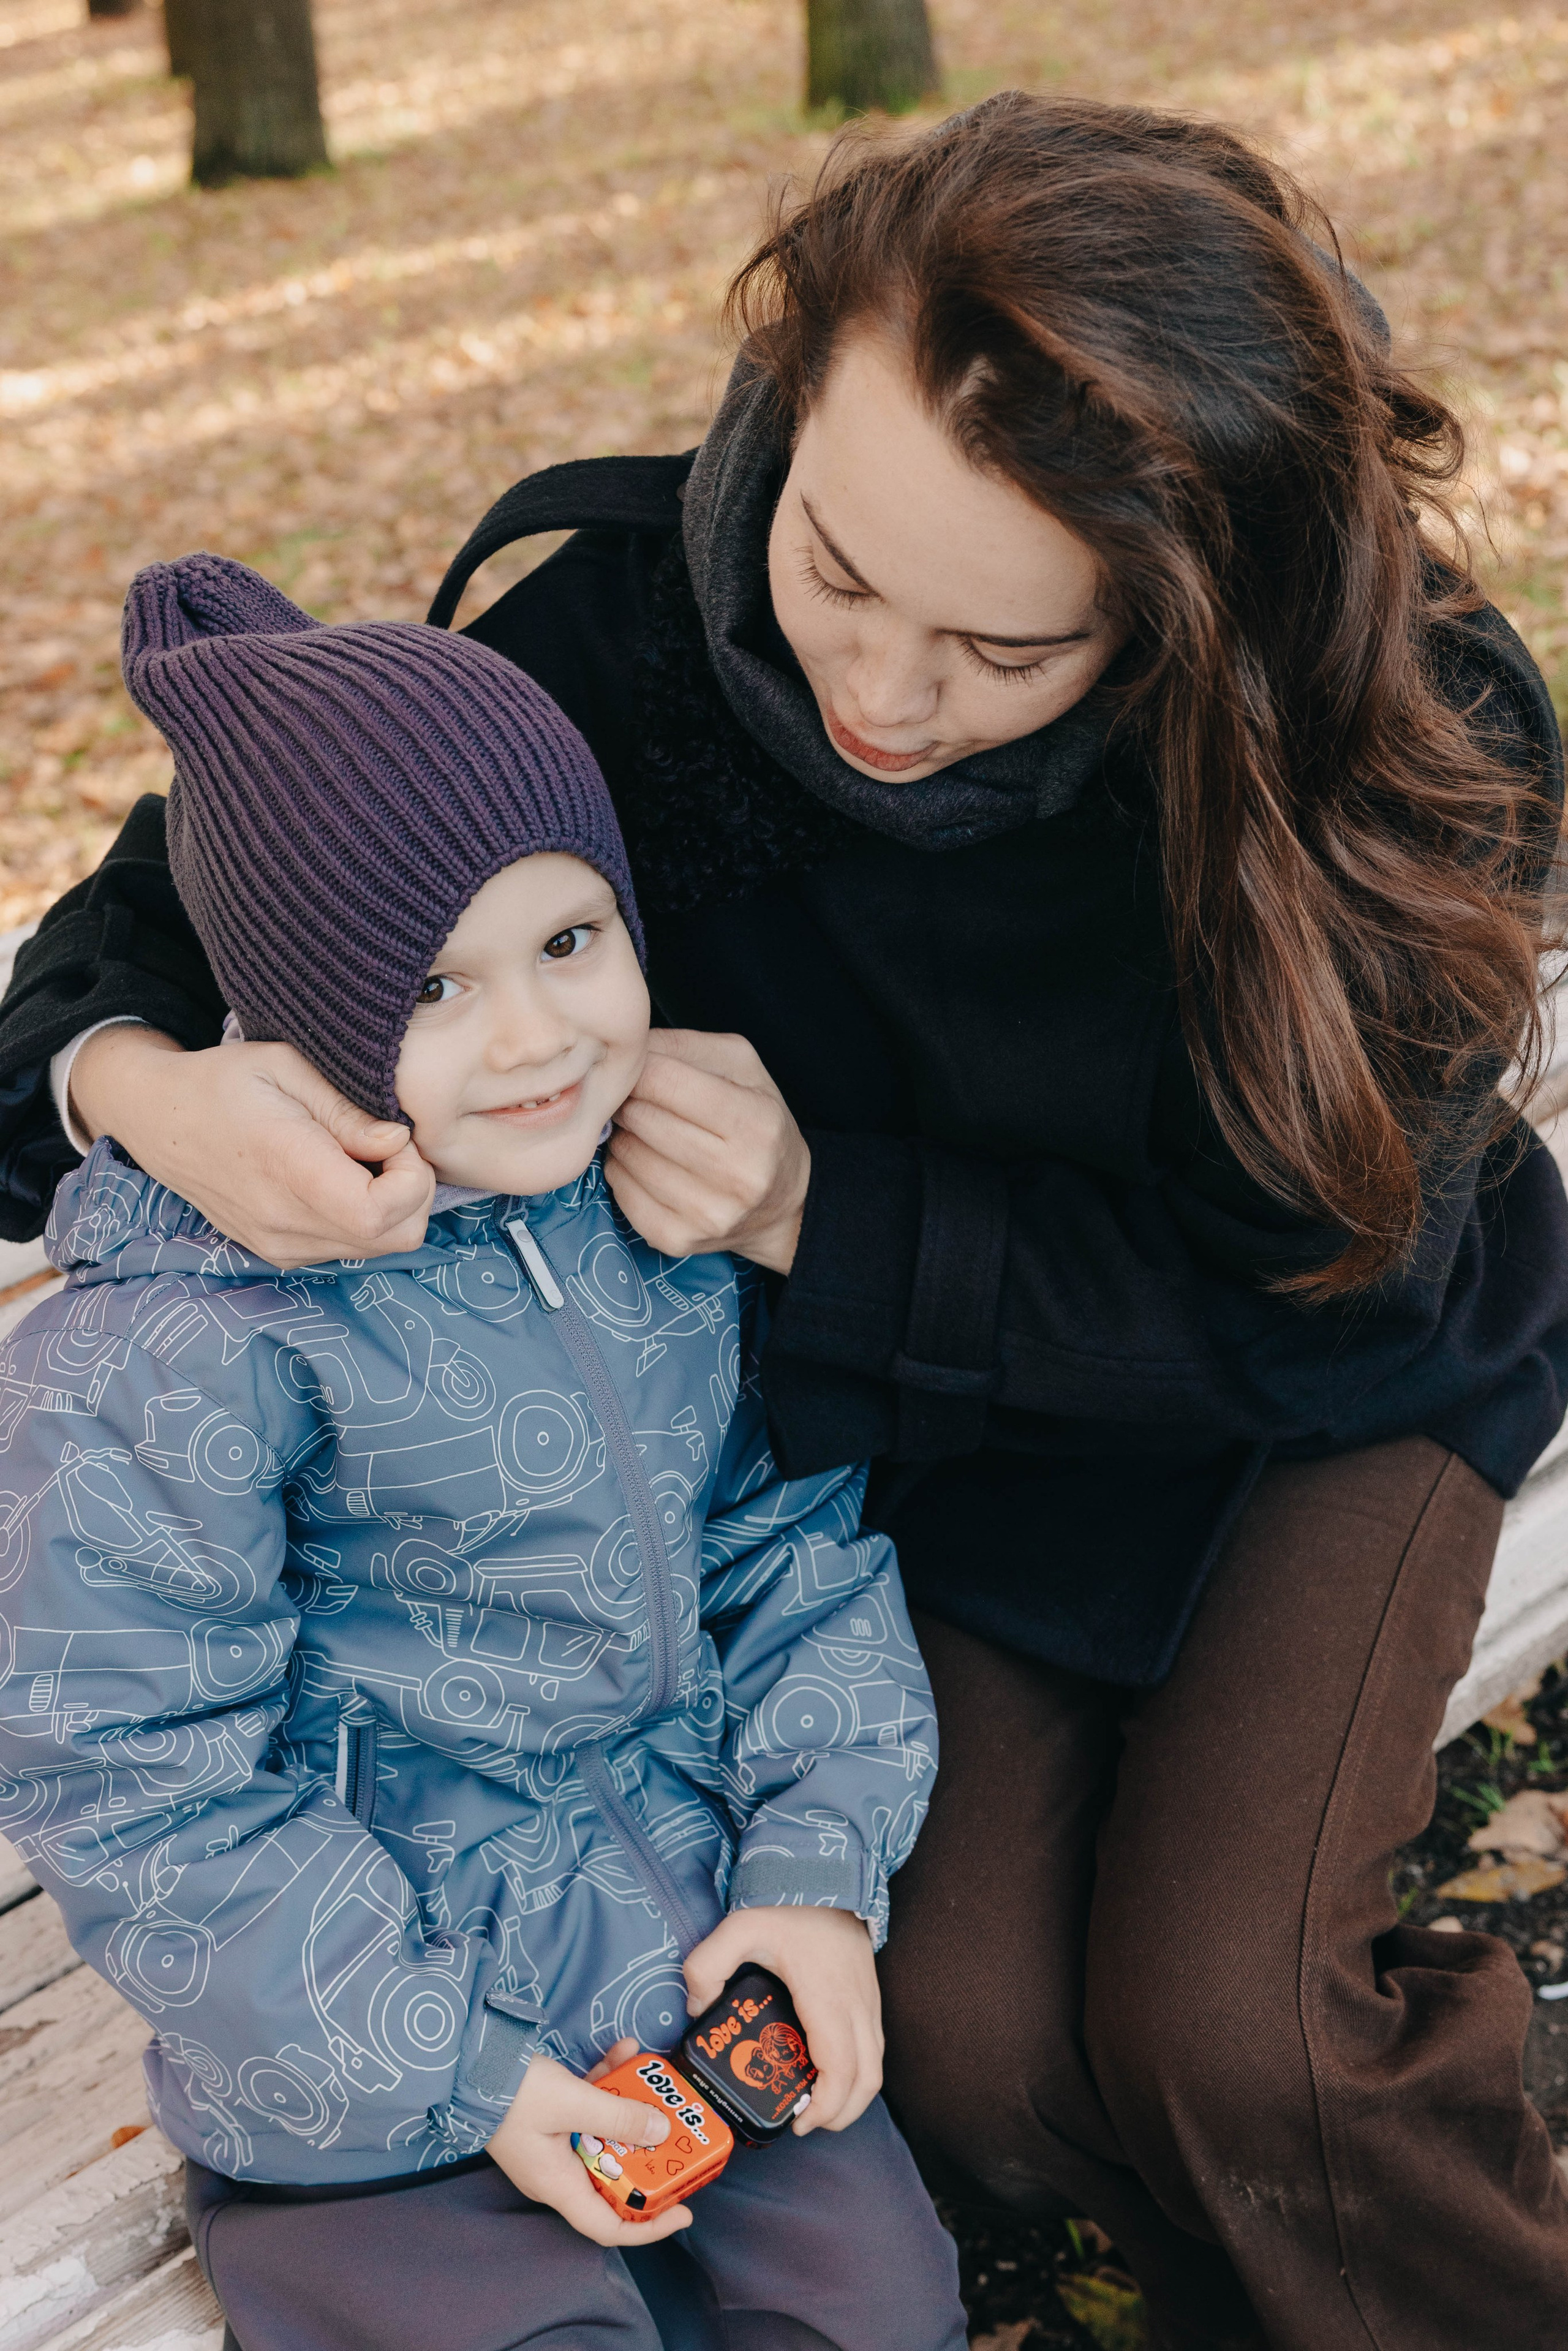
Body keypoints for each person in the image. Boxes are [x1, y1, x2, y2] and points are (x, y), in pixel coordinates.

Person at [0, 88, 1565, 2348]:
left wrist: (836, 1216)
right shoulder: (624, 645)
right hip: (915, 1444)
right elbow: (131, 937)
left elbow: (1320, 1306)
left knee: (1235, 2029)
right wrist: (148, 1092)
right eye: (839, 568)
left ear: (1193, 608)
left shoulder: (1386, 739)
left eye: (1008, 652)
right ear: (781, 400)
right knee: (983, 2054)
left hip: (1322, 1385)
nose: (878, 695)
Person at [0, 554, 963, 2351]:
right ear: (288, 1012)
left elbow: (793, 1545)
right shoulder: (178, 1347)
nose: (534, 1038)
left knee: (879, 2314)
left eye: (569, 943)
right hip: (364, 2059)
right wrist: (459, 2077)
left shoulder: (644, 1220)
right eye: (433, 990)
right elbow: (135, 1777)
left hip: (685, 1965)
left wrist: (815, 1878)